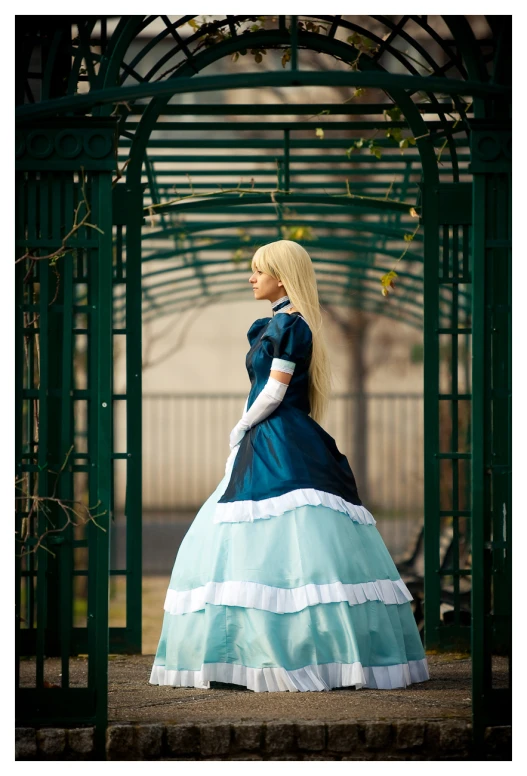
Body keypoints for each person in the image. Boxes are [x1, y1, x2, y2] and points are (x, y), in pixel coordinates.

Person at [149, 239, 429, 693]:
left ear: (280, 276)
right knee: (262, 539)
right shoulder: (274, 324)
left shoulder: (292, 326)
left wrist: (240, 426)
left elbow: (275, 392)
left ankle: (290, 655)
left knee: (289, 540)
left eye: (258, 271)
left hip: (279, 439)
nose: (251, 277)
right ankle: (247, 654)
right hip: (271, 440)